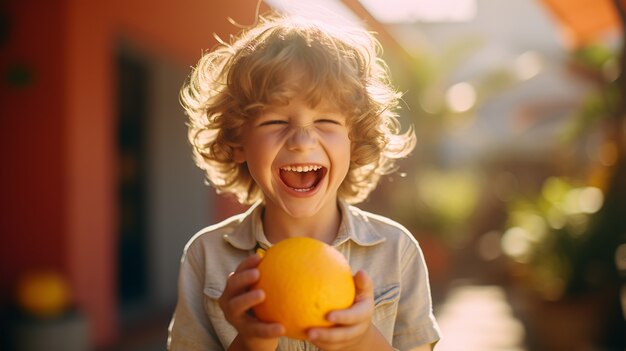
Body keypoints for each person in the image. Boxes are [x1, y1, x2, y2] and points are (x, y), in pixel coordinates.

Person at [168, 12, 441, 351]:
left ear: (353, 143)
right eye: (275, 121)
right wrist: (251, 343)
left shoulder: (397, 251)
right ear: (238, 142)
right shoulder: (205, 256)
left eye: (326, 119)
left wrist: (361, 340)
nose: (301, 140)